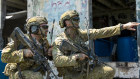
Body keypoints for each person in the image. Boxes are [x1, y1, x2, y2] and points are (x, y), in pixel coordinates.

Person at [52, 10, 140, 79]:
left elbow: (100, 32)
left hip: (84, 71)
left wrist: (122, 27)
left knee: (108, 71)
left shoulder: (81, 34)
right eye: (75, 19)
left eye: (78, 19)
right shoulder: (60, 40)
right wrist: (76, 57)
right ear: (67, 22)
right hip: (72, 75)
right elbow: (57, 60)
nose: (78, 21)